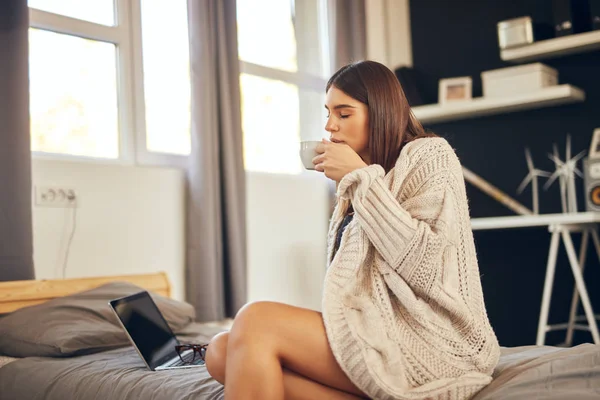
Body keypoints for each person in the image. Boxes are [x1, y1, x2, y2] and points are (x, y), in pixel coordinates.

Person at [202, 60, 501, 400]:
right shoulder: (361, 176)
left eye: (344, 114)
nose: (331, 126)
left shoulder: (430, 155)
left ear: (381, 113)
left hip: (436, 342)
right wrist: (359, 178)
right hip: (382, 330)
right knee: (220, 352)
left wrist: (361, 179)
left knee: (255, 320)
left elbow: (426, 267)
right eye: (328, 113)